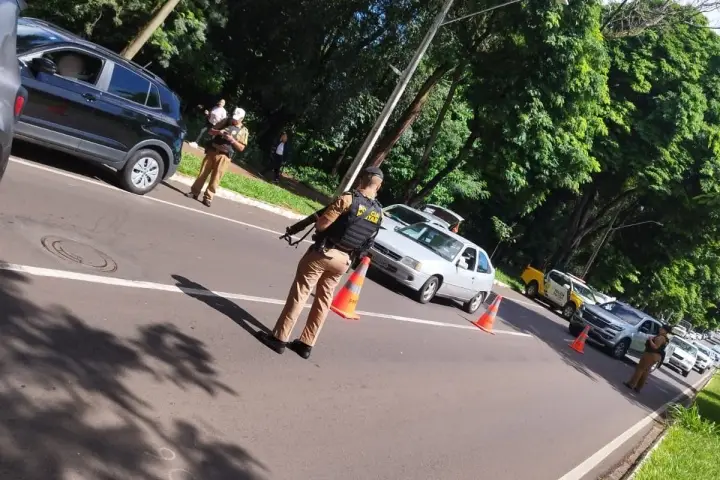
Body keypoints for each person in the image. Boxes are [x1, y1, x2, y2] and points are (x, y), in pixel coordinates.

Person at [257, 167, 385, 359]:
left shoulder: (348, 199)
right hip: (344, 260)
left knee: (300, 294)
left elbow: (322, 224)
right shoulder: (379, 212)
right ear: (379, 186)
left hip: (324, 253)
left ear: (361, 180)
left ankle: (279, 338)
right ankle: (306, 344)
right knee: (324, 301)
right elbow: (367, 241)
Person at [185, 107, 249, 207]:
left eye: (236, 119)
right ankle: (194, 192)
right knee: (202, 174)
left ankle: (208, 198)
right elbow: (211, 131)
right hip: (212, 151)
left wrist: (232, 140)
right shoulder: (225, 121)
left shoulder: (243, 131)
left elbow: (241, 147)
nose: (234, 120)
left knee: (216, 178)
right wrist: (219, 132)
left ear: (242, 119)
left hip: (224, 156)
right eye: (233, 118)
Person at [624, 324, 672, 392]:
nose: (660, 329)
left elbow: (655, 347)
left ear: (665, 331)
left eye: (662, 328)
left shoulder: (661, 337)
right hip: (656, 356)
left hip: (650, 354)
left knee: (640, 369)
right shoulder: (666, 339)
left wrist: (650, 340)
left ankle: (631, 384)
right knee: (645, 371)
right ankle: (638, 387)